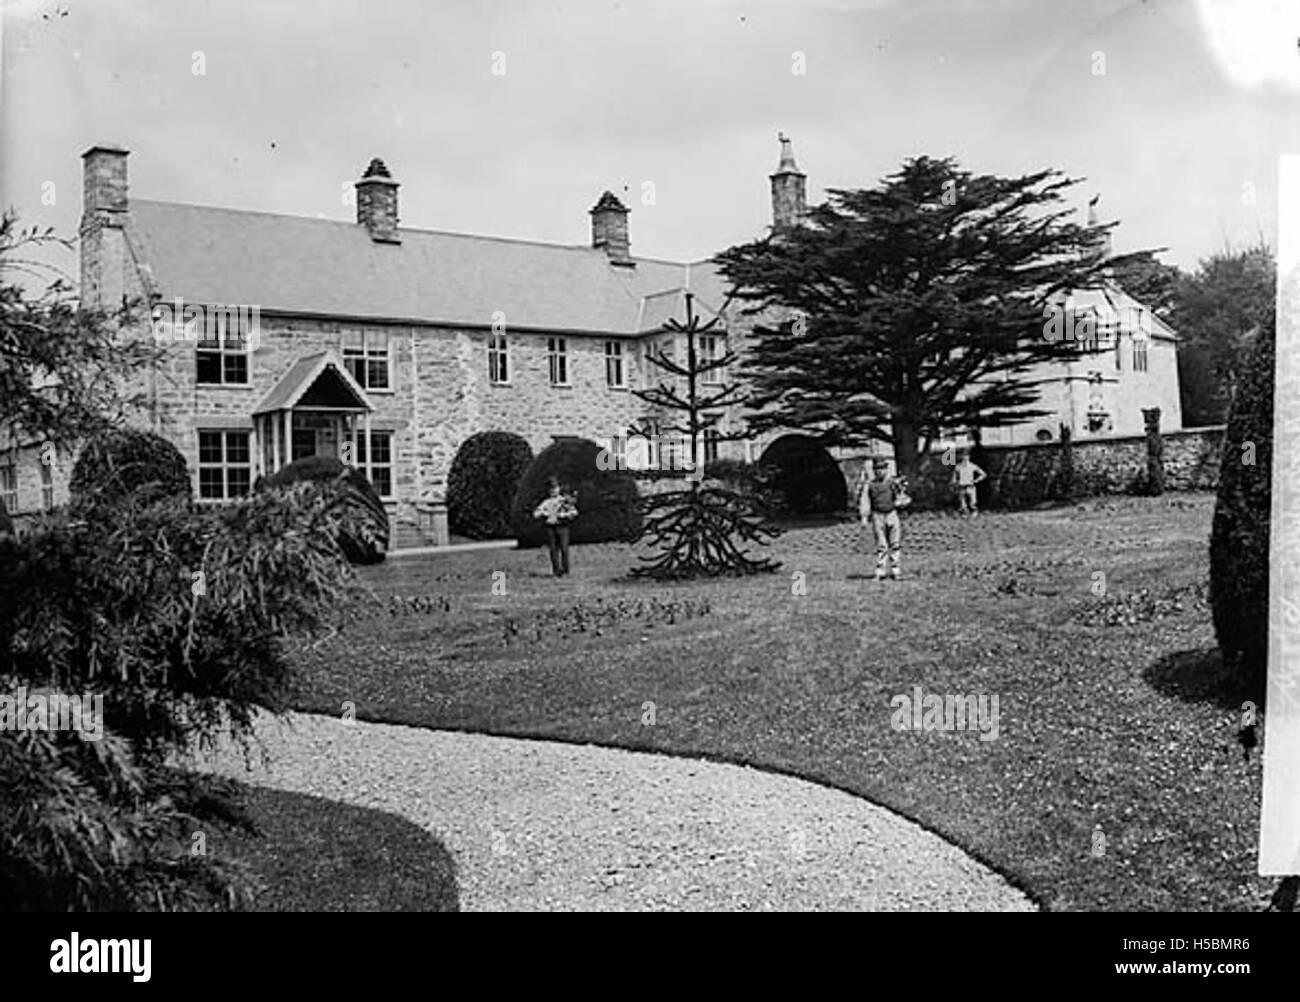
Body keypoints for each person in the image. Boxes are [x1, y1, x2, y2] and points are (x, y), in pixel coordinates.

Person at [859, 457, 907, 580]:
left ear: (886, 469)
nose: (880, 471)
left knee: (895, 543)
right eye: (877, 469)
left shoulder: (892, 483)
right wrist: (864, 517)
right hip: (877, 516)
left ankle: (896, 570)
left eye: (882, 468)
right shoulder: (870, 485)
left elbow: (902, 497)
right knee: (881, 545)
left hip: (892, 514)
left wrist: (900, 498)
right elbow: (865, 500)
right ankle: (881, 570)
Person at [534, 479, 578, 577]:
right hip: (551, 528)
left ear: (559, 489)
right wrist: (543, 513)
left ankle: (566, 571)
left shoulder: (564, 500)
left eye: (555, 488)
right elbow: (536, 514)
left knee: (564, 549)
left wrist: (565, 515)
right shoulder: (546, 502)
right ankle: (556, 571)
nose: (553, 491)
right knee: (553, 550)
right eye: (551, 489)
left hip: (562, 527)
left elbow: (574, 512)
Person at [951, 449, 987, 516]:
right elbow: (954, 477)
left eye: (966, 456)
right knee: (963, 504)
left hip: (970, 486)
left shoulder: (972, 466)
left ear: (969, 457)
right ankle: (964, 514)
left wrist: (976, 480)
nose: (965, 458)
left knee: (973, 503)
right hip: (961, 487)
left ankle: (974, 514)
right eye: (963, 456)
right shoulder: (958, 467)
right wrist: (955, 483)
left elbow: (983, 474)